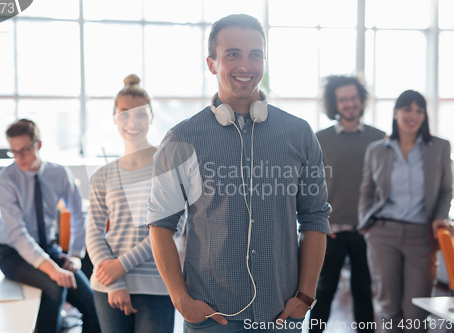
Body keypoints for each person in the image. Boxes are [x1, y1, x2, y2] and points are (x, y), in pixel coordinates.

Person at [147, 14, 331, 332]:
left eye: (255, 54)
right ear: (211, 63)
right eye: (233, 54)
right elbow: (161, 225)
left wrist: (306, 296)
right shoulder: (181, 139)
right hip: (211, 317)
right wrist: (180, 299)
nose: (245, 65)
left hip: (282, 313)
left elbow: (315, 219)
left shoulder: (299, 134)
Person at [86, 74, 178, 333]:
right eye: (124, 113)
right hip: (109, 286)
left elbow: (170, 229)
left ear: (151, 117)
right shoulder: (102, 175)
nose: (132, 121)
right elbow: (92, 232)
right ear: (115, 118)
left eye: (140, 114)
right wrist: (114, 282)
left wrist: (121, 266)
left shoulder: (167, 167)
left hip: (157, 284)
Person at [359, 90, 453, 332]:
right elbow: (366, 191)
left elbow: (446, 189)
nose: (413, 115)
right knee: (389, 309)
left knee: (416, 312)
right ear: (395, 113)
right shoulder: (376, 149)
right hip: (383, 233)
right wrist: (366, 225)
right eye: (407, 109)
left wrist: (440, 216)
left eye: (419, 110)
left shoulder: (440, 148)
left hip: (421, 235)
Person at [0, 119, 99, 333]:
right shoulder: (5, 180)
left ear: (38, 145)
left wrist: (76, 255)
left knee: (94, 307)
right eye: (13, 152)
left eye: (24, 150)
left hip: (49, 249)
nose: (19, 158)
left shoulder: (59, 174)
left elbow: (78, 214)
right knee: (55, 286)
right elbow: (18, 235)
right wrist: (53, 270)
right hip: (13, 253)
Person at [310, 75, 384, 332]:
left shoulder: (380, 139)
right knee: (323, 292)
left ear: (361, 100)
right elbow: (309, 187)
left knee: (364, 293)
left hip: (367, 232)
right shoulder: (319, 139)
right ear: (335, 104)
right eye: (343, 99)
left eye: (354, 98)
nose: (350, 104)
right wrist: (318, 224)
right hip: (330, 232)